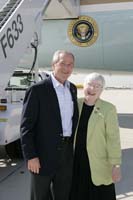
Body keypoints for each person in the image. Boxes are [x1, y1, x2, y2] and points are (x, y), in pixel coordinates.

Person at [20, 50, 79, 200]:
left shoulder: (72, 89)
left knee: (63, 194)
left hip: (66, 154)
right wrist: (31, 156)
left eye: (70, 64)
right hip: (42, 156)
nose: (67, 68)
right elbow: (26, 127)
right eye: (63, 64)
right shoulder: (37, 90)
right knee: (40, 196)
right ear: (53, 65)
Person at [70, 72, 122, 200]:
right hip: (76, 161)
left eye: (97, 86)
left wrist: (116, 165)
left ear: (102, 90)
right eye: (89, 84)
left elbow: (113, 138)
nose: (92, 89)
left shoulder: (108, 109)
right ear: (84, 86)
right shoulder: (75, 104)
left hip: (98, 162)